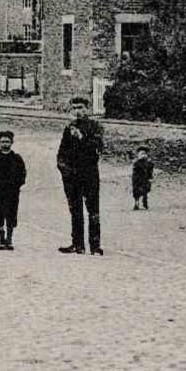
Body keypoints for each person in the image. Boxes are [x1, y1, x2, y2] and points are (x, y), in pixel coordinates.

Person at [57, 96, 105, 255]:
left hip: (89, 173)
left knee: (93, 209)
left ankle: (95, 246)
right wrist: (64, 170)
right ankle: (77, 244)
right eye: (74, 108)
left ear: (87, 109)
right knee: (75, 210)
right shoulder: (69, 127)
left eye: (81, 108)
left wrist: (81, 137)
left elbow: (98, 147)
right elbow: (61, 153)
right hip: (72, 176)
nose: (77, 111)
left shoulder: (95, 127)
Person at [0, 129, 27, 251]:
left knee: (11, 213)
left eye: (7, 141)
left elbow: (22, 173)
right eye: (2, 142)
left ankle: (9, 238)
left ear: (12, 143)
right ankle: (1, 239)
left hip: (12, 191)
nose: (5, 144)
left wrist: (17, 184)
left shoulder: (16, 158)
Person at [132, 146, 155, 210]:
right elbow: (135, 171)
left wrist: (150, 178)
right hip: (137, 179)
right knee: (136, 191)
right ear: (138, 155)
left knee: (145, 191)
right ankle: (137, 203)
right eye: (141, 154)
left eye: (145, 154)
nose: (143, 155)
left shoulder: (149, 163)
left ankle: (144, 203)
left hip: (145, 179)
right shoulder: (136, 163)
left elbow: (150, 171)